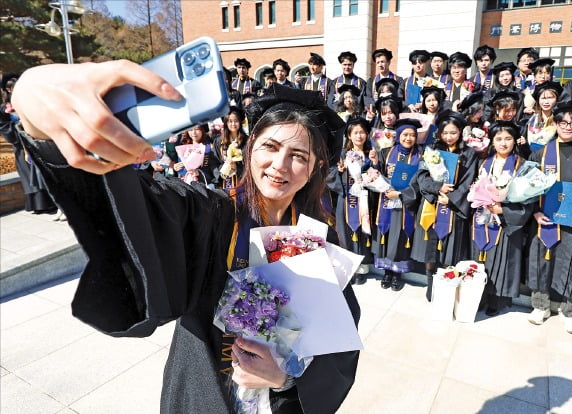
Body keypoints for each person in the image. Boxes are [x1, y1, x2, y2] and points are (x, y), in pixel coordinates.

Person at [11, 61, 359, 413]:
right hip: (204, 394)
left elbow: (337, 348)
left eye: (298, 156)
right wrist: (35, 111)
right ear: (251, 146)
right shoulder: (208, 214)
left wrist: (286, 378)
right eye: (270, 146)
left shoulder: (313, 241)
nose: (280, 165)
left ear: (316, 166)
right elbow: (136, 215)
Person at [526, 101, 572, 334]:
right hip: (545, 218)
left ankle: (569, 312)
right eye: (563, 122)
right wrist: (534, 211)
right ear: (555, 123)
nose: (568, 127)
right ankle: (540, 306)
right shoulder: (540, 152)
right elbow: (527, 186)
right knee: (542, 260)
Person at [411, 111, 478, 300]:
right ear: (439, 133)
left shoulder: (469, 153)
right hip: (432, 204)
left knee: (450, 249)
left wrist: (452, 198)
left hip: (453, 208)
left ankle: (448, 286)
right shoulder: (431, 150)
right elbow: (422, 177)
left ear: (461, 132)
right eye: (445, 133)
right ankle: (431, 283)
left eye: (453, 132)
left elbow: (468, 182)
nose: (449, 137)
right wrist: (438, 188)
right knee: (430, 248)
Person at [473, 122, 532, 315]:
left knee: (502, 259)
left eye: (508, 139)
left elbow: (528, 196)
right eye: (498, 139)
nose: (503, 143)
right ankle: (478, 296)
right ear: (492, 141)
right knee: (482, 257)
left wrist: (503, 209)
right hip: (483, 216)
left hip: (506, 219)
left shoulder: (522, 165)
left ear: (515, 141)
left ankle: (496, 299)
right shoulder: (484, 162)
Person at [369, 118, 422, 291]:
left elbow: (421, 181)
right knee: (386, 232)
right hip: (386, 201)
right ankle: (386, 272)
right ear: (398, 136)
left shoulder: (420, 155)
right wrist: (375, 163)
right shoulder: (386, 152)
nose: (408, 138)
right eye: (405, 134)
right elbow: (379, 173)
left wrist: (399, 193)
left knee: (400, 235)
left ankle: (397, 273)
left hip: (405, 202)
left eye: (412, 135)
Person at [1, 73, 58, 215]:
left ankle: (52, 201)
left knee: (42, 171)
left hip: (35, 140)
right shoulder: (4, 108)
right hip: (20, 144)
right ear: (8, 90)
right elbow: (3, 126)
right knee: (28, 173)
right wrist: (19, 130)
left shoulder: (29, 101)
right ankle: (38, 204)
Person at [328, 117, 374, 284]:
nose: (359, 136)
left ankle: (362, 269)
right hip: (346, 199)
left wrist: (374, 169)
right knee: (345, 232)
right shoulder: (341, 155)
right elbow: (329, 175)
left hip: (366, 201)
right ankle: (348, 268)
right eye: (355, 132)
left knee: (364, 232)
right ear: (348, 135)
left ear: (367, 134)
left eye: (362, 132)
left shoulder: (372, 154)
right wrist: (340, 172)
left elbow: (379, 176)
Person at [518, 81, 563, 158]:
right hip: (529, 158)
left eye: (550, 98)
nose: (546, 102)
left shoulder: (560, 120)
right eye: (543, 98)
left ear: (557, 99)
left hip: (551, 159)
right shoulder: (529, 119)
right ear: (538, 100)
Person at [214, 106, 248, 190]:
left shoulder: (247, 141)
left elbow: (251, 163)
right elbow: (213, 163)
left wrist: (237, 168)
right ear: (226, 123)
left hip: (242, 183)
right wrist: (224, 168)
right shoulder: (219, 141)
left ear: (240, 122)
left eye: (236, 121)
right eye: (230, 121)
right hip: (223, 184)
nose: (233, 124)